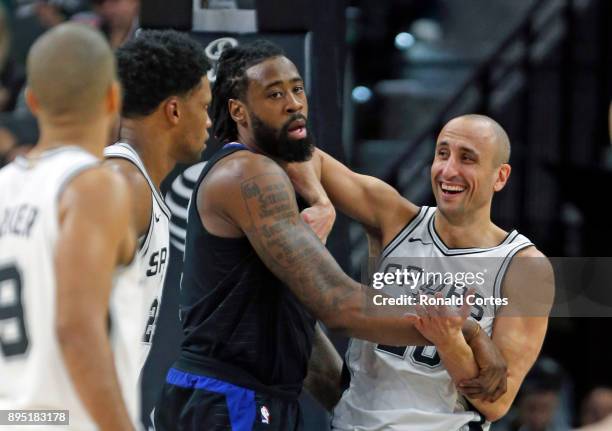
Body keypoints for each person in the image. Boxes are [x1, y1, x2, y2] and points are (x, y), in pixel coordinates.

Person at [154, 40, 506, 430]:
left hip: (259, 396)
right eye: (275, 94)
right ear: (238, 110)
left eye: (297, 88)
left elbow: (295, 319)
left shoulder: (271, 171)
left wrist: (321, 200)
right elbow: (338, 305)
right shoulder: (249, 174)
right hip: (228, 396)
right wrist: (465, 330)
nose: (294, 103)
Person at [287, 113, 554, 430]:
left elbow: (497, 403)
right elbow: (300, 153)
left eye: (467, 158)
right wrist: (320, 201)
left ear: (500, 176)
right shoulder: (393, 218)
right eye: (443, 153)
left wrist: (450, 341)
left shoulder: (525, 266)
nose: (448, 170)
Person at [0, 23, 140, 430]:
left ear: (31, 101)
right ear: (113, 97)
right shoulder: (93, 186)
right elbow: (76, 328)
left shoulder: (4, 185)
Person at [103, 29, 212, 425]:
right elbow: (68, 315)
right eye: (204, 107)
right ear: (174, 111)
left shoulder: (136, 183)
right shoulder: (124, 182)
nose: (210, 122)